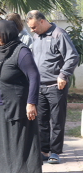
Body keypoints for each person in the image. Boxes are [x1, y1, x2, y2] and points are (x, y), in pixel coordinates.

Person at [0, 20, 42, 173]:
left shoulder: (21, 51)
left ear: (6, 35)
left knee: (17, 144)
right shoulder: (0, 50)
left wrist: (31, 103)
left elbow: (34, 76)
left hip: (15, 107)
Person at [26, 10, 79, 164]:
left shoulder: (59, 34)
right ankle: (43, 150)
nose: (32, 30)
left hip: (56, 87)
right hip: (39, 87)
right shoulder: (37, 36)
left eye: (34, 27)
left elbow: (72, 56)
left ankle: (55, 152)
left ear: (42, 21)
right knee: (41, 120)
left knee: (57, 121)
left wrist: (63, 75)